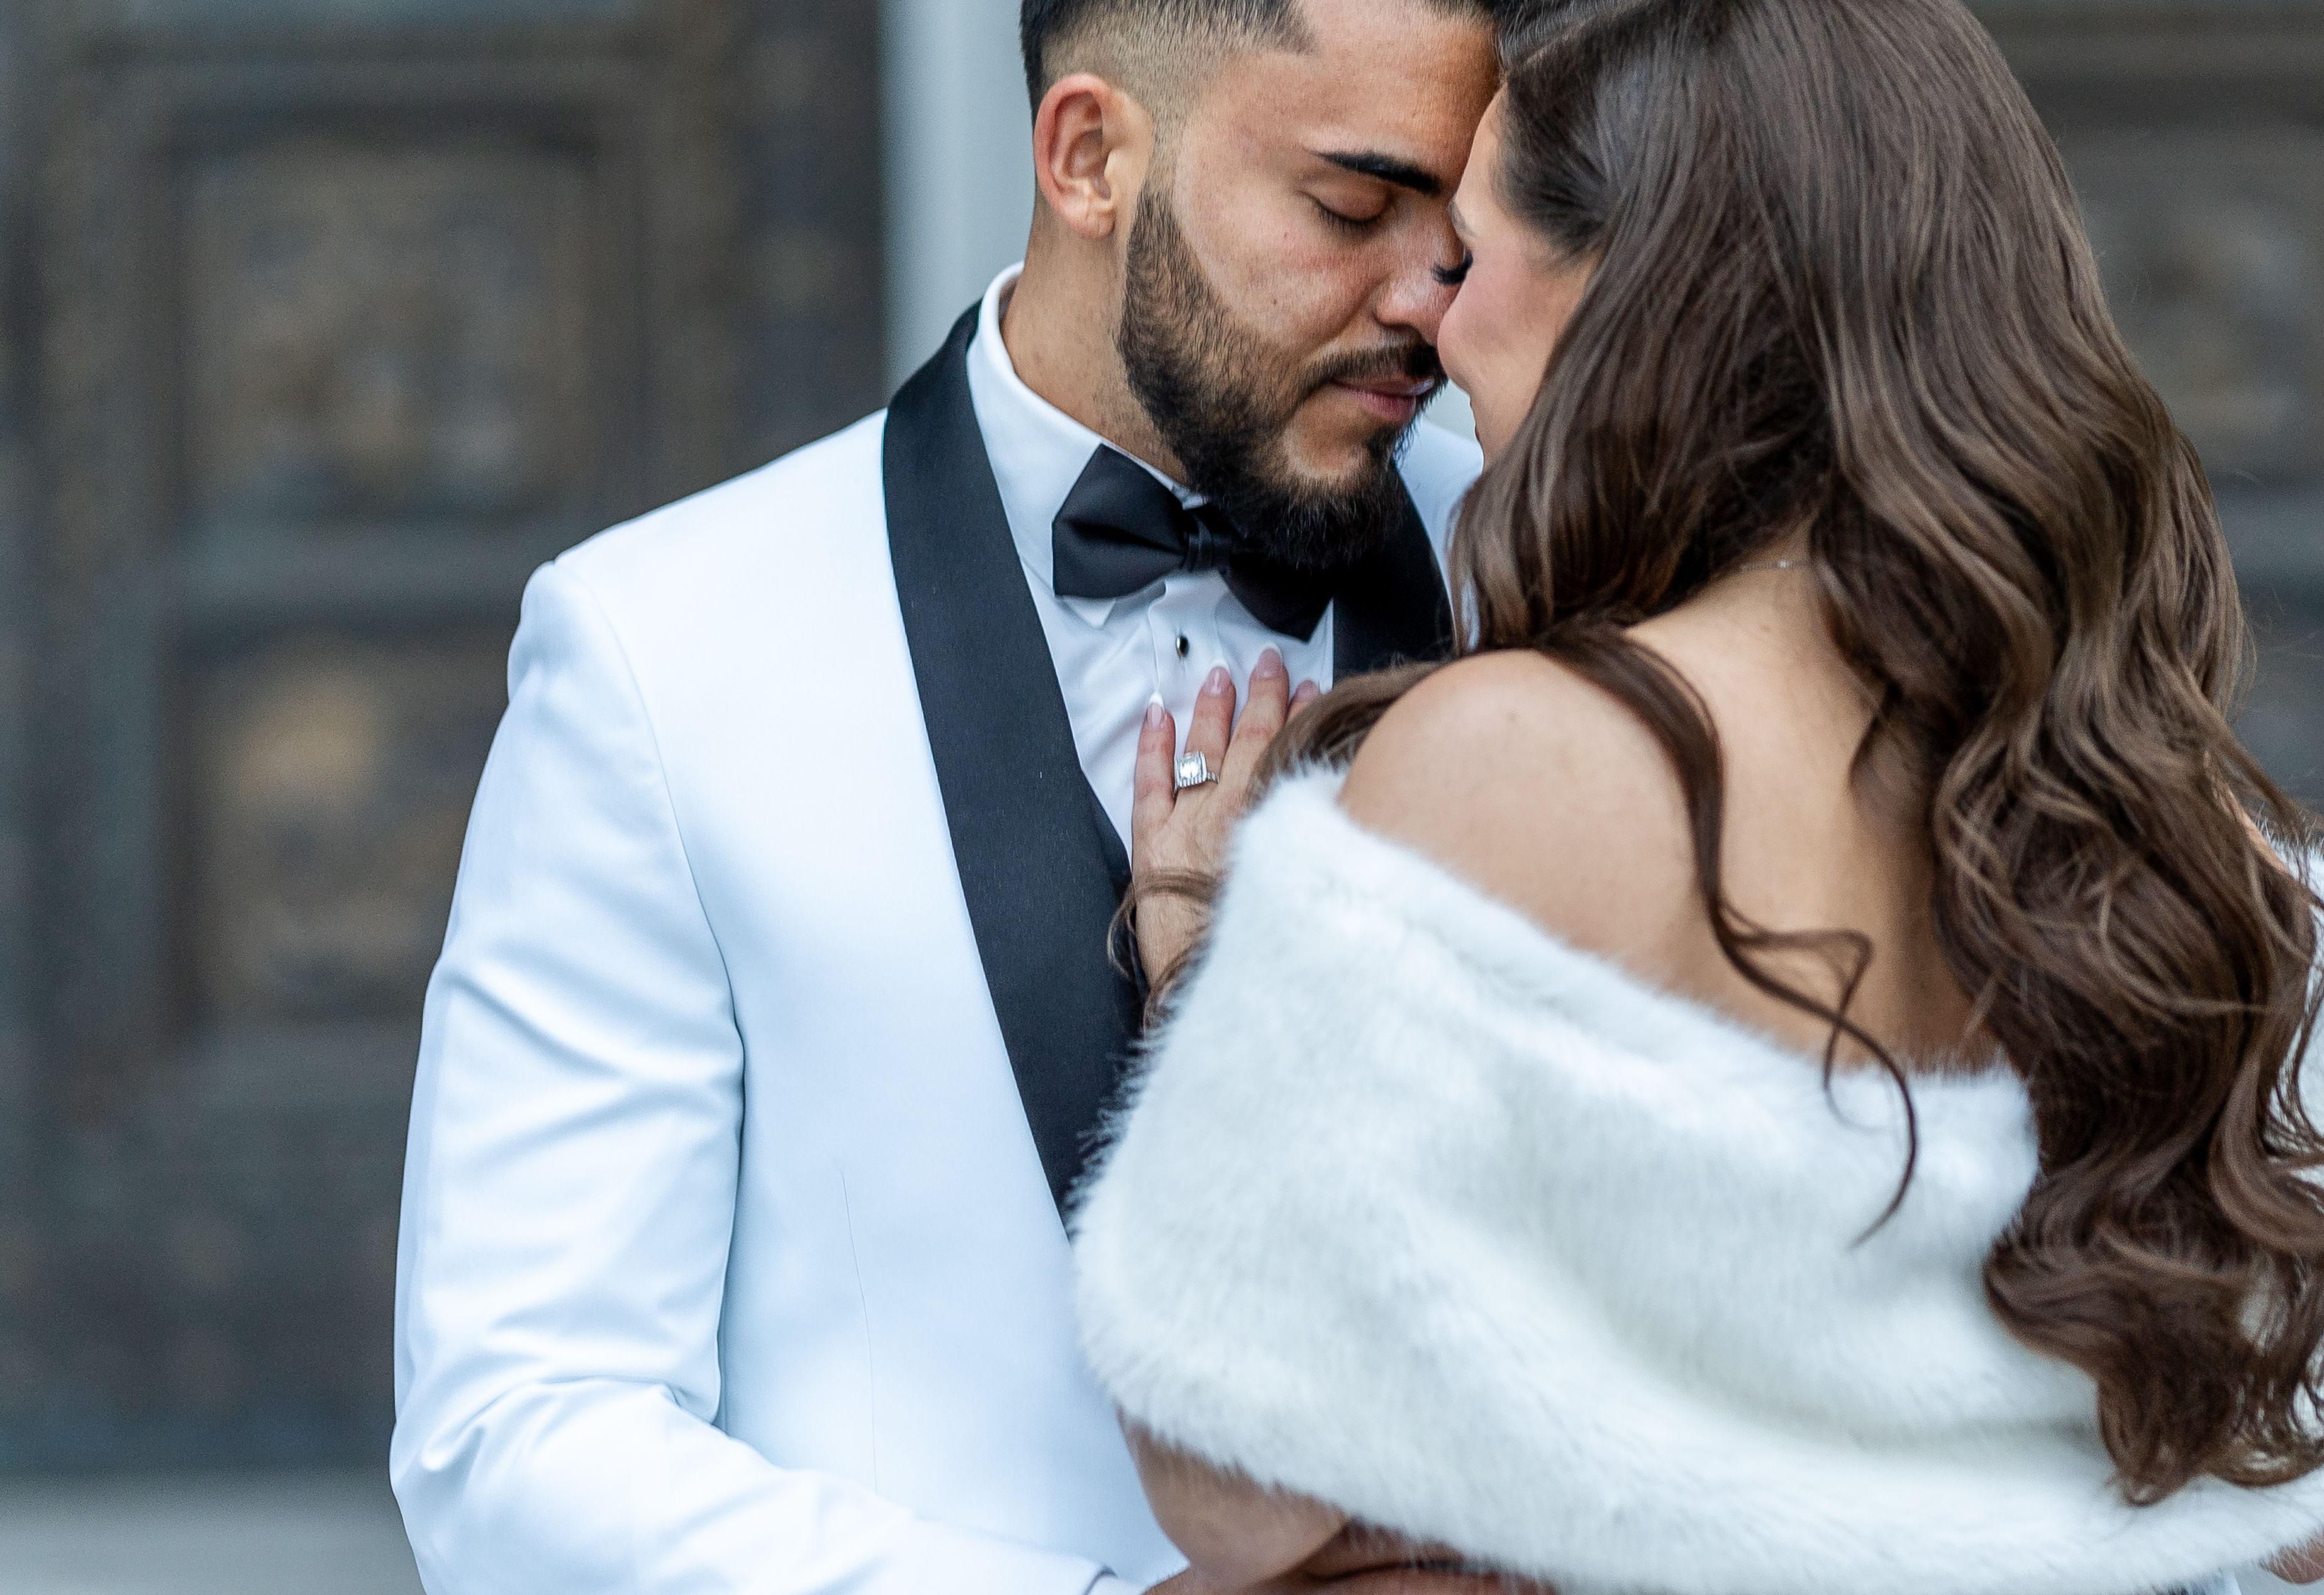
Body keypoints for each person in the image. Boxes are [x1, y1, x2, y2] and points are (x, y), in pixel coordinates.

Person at [1070, 0, 2324, 1589]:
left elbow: (1239, 1481)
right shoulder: (2171, 819)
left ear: (1631, 290)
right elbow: (2312, 1500)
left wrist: (1219, 978)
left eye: (1469, 254)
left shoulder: (1515, 758)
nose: (1440, 332)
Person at [381, 0, 1508, 1588]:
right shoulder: (656, 648)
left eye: (1460, 227)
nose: (1428, 301)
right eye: (1351, 207)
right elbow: (517, 1433)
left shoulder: (1557, 581)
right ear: (1090, 156)